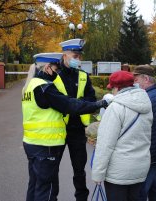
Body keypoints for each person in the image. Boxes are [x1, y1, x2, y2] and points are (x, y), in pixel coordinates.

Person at [22, 53, 108, 201]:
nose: (57, 73)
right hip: (46, 144)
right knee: (47, 189)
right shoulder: (45, 87)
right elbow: (69, 105)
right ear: (48, 68)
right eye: (56, 69)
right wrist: (98, 104)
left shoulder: (31, 84)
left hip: (32, 143)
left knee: (35, 185)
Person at [92, 70, 153, 201]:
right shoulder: (146, 105)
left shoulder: (115, 108)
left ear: (117, 88)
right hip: (140, 169)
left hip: (118, 173)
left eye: (112, 88)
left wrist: (98, 174)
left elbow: (105, 145)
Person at [55, 39, 96, 201]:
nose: (78, 59)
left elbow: (91, 101)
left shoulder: (84, 76)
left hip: (77, 131)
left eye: (79, 57)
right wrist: (78, 104)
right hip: (57, 129)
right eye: (75, 56)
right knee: (53, 169)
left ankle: (82, 198)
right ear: (64, 55)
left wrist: (75, 105)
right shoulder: (54, 75)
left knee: (79, 170)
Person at [133, 65, 156, 201]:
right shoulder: (155, 95)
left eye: (136, 80)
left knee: (141, 191)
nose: (134, 83)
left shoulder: (148, 99)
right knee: (155, 185)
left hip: (150, 152)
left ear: (146, 79)